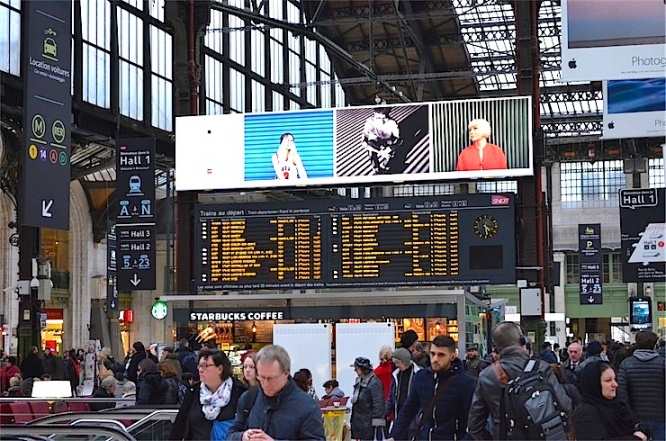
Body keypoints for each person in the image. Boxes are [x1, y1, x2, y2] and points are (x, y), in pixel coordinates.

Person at [468, 322, 572, 440]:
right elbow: (565, 405)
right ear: (522, 340)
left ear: (495, 347)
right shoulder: (541, 368)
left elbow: (475, 425)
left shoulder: (486, 376)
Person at [227, 345, 325, 441]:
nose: (265, 384)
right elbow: (231, 434)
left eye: (271, 378)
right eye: (262, 377)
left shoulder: (307, 406)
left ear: (286, 373)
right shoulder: (249, 398)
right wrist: (242, 437)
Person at [386, 335, 475, 441]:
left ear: (452, 356)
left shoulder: (465, 383)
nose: (435, 359)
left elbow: (474, 421)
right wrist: (393, 436)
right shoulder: (421, 377)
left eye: (441, 355)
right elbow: (408, 410)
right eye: (433, 354)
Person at [170, 348, 247, 440]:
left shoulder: (239, 392)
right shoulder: (193, 392)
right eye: (199, 366)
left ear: (220, 369)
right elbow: (180, 425)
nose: (201, 370)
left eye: (205, 366)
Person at [572, 361, 647, 441]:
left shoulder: (619, 405)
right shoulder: (585, 412)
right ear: (595, 384)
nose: (615, 384)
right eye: (608, 380)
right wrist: (635, 439)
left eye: (615, 379)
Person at [617, 330, 665, 441]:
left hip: (636, 419)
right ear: (654, 345)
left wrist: (628, 415)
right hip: (660, 417)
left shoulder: (626, 364)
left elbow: (621, 393)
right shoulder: (663, 363)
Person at [385, 347, 422, 438]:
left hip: (414, 418)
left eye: (397, 362)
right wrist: (385, 413)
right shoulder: (396, 375)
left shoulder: (419, 374)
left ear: (404, 361)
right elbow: (391, 396)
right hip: (400, 416)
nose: (396, 365)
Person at [349, 356, 386, 441]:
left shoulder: (374, 383)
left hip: (368, 426)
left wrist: (377, 426)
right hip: (362, 424)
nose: (355, 370)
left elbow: (378, 405)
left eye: (356, 368)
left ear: (362, 369)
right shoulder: (360, 381)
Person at [361, 107, 401, 174]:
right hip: (376, 143)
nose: (381, 121)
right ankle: (376, 168)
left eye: (384, 118)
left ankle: (385, 165)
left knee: (391, 144)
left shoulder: (392, 123)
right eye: (378, 118)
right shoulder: (370, 122)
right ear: (374, 115)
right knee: (371, 145)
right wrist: (380, 152)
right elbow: (364, 142)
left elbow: (399, 140)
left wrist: (390, 149)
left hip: (387, 142)